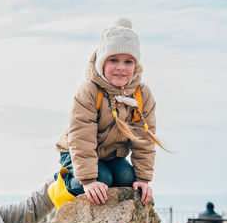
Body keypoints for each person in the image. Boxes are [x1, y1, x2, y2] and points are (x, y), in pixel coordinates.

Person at [49, 18, 167, 209]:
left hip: (110, 154)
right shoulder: (90, 90)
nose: (121, 67)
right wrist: (87, 181)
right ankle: (62, 181)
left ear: (135, 65)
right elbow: (81, 137)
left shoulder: (141, 94)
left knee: (126, 177)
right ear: (102, 62)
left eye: (128, 61)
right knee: (101, 179)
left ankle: (103, 175)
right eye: (113, 60)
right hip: (77, 152)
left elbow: (144, 138)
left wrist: (143, 179)